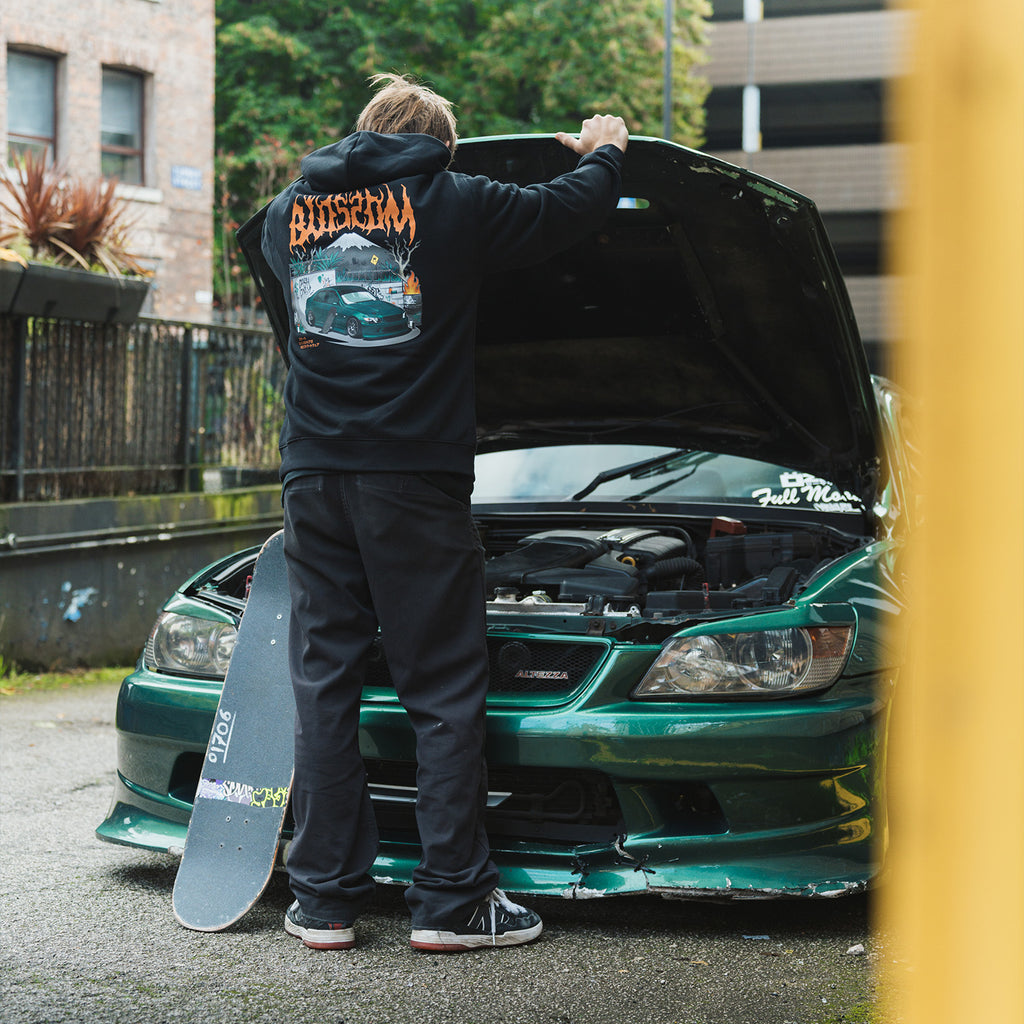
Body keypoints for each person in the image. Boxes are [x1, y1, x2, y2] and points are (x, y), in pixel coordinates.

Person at [260, 73, 627, 953]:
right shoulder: (452, 200)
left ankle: (323, 901)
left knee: (324, 684)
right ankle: (453, 898)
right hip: (412, 480)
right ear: (440, 147)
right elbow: (568, 210)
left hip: (313, 477)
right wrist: (608, 149)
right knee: (442, 686)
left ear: (363, 131)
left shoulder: (282, 215)